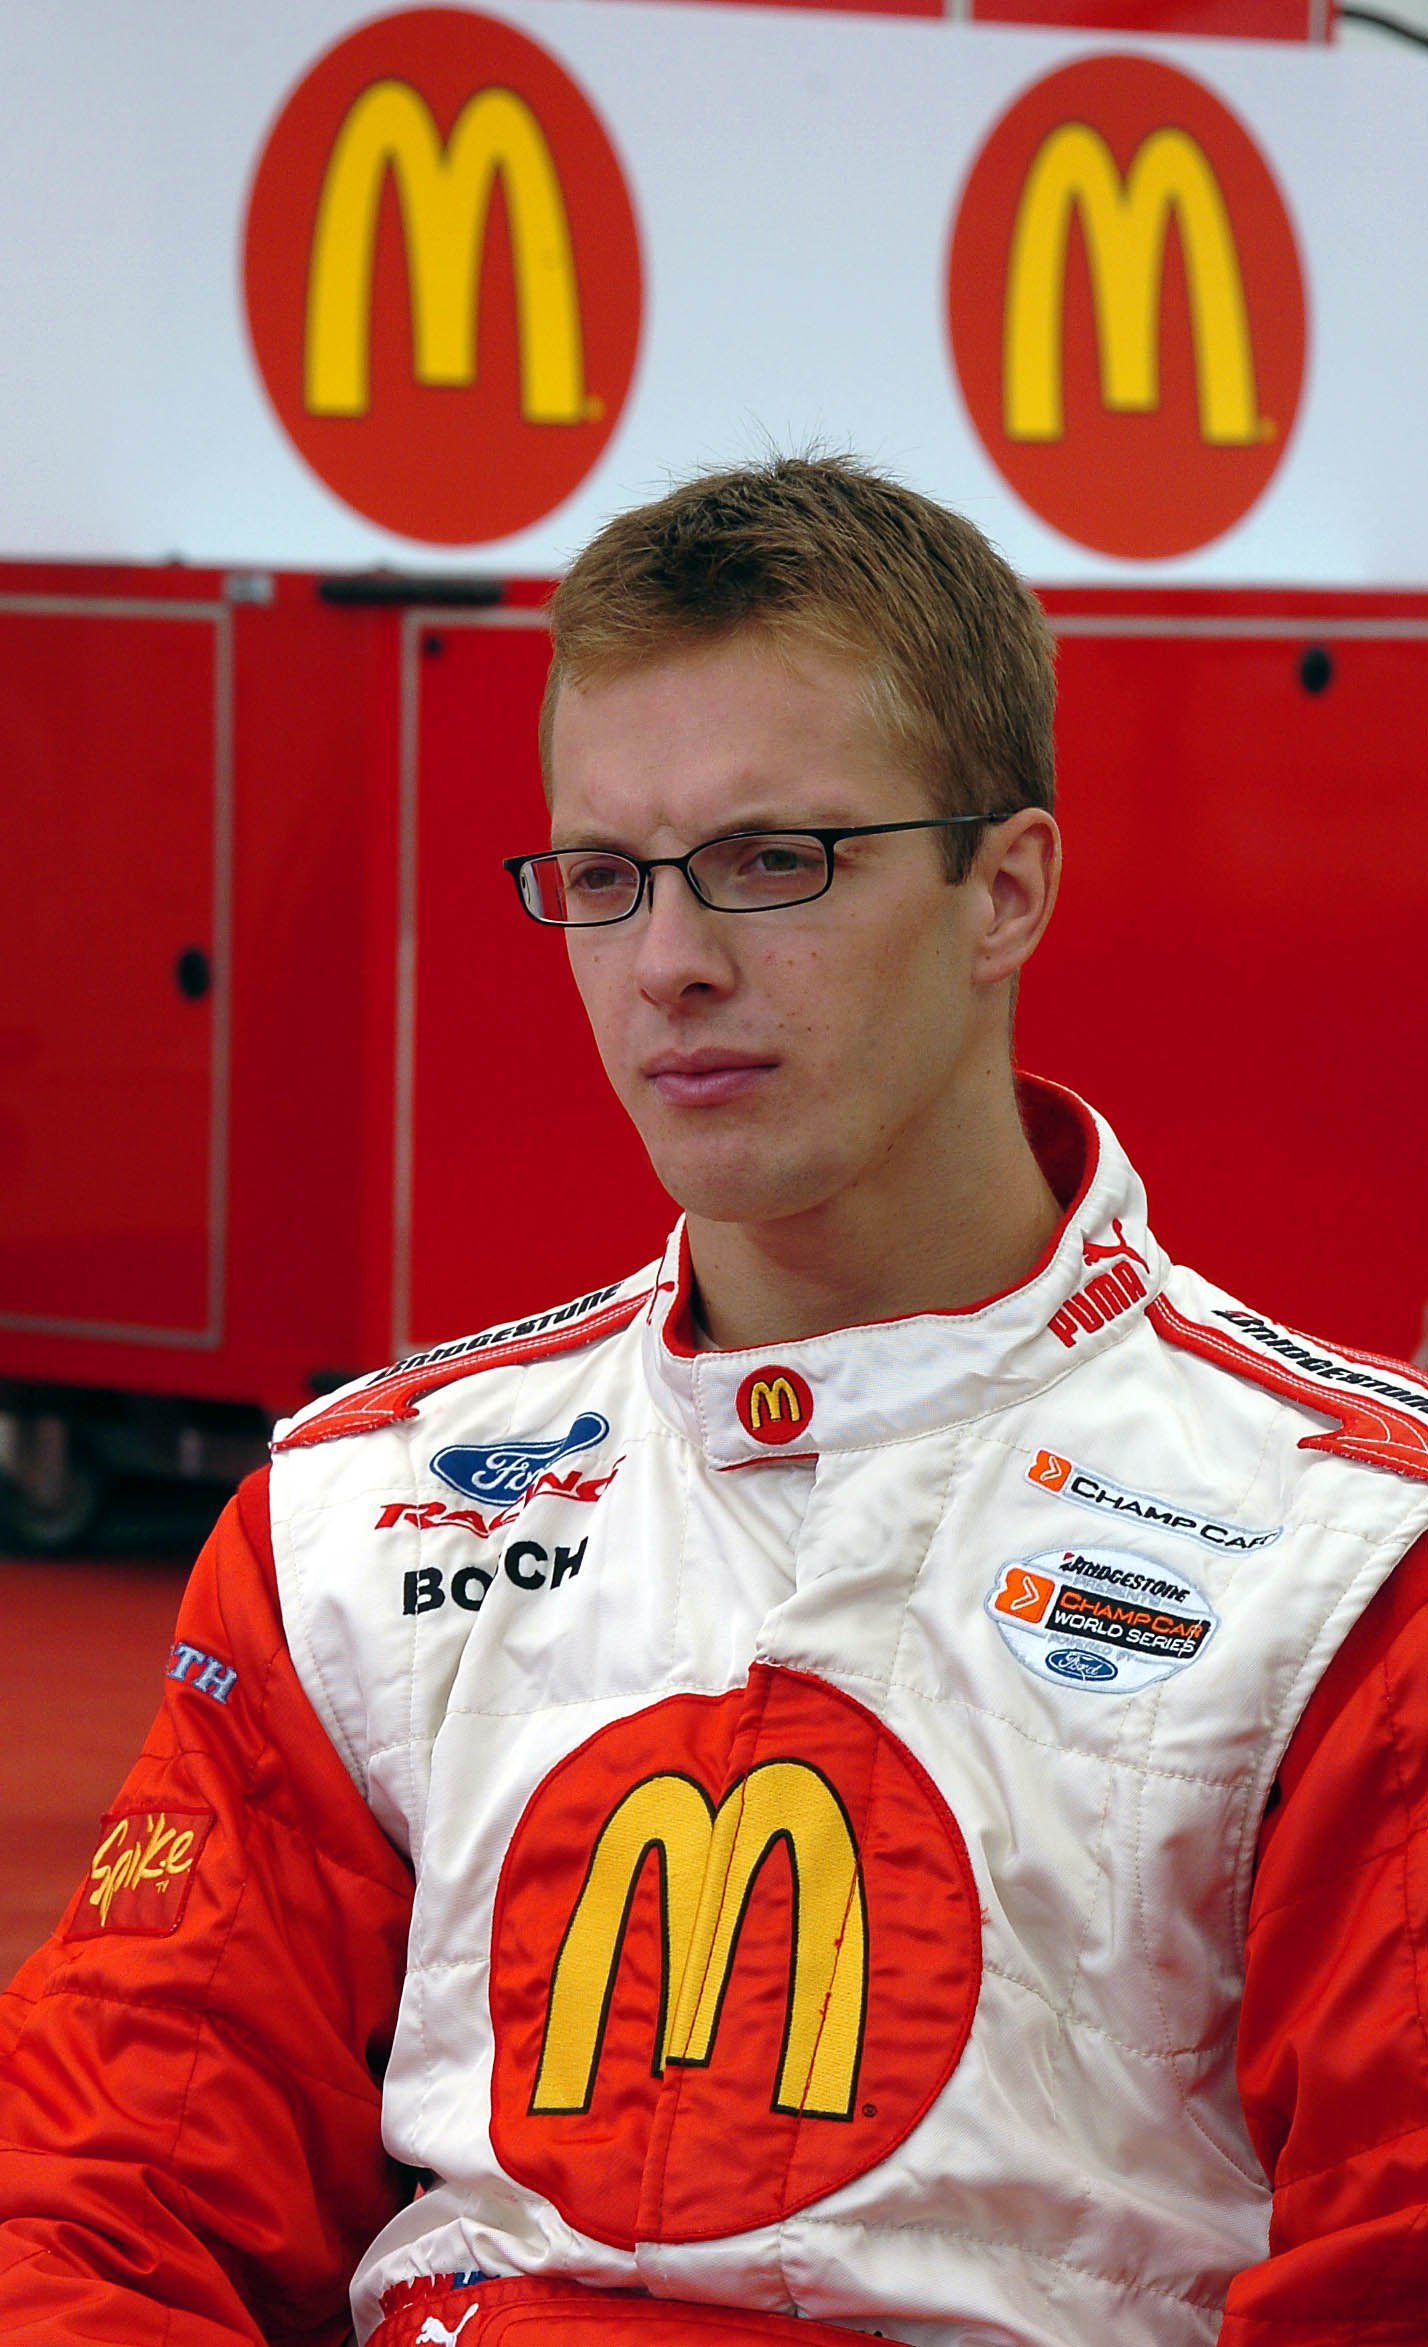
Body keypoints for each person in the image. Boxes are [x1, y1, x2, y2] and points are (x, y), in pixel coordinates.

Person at [3, 455, 1428, 2347]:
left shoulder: (1347, 1556)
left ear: (1005, 888)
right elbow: (110, 2203)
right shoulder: (364, 1515)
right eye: (605, 878)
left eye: (777, 861)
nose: (670, 963)